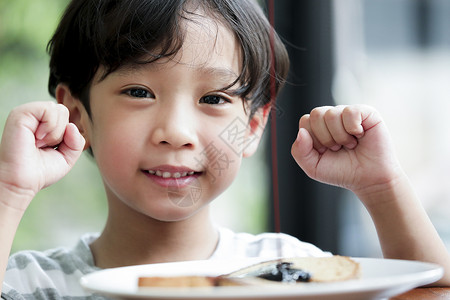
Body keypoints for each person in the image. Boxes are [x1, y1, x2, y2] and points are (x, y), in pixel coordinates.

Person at [0, 0, 449, 298]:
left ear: (251, 129)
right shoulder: (30, 283)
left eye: (214, 99)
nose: (176, 132)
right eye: (138, 92)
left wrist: (382, 185)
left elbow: (435, 289)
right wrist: (9, 191)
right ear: (75, 116)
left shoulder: (296, 274)